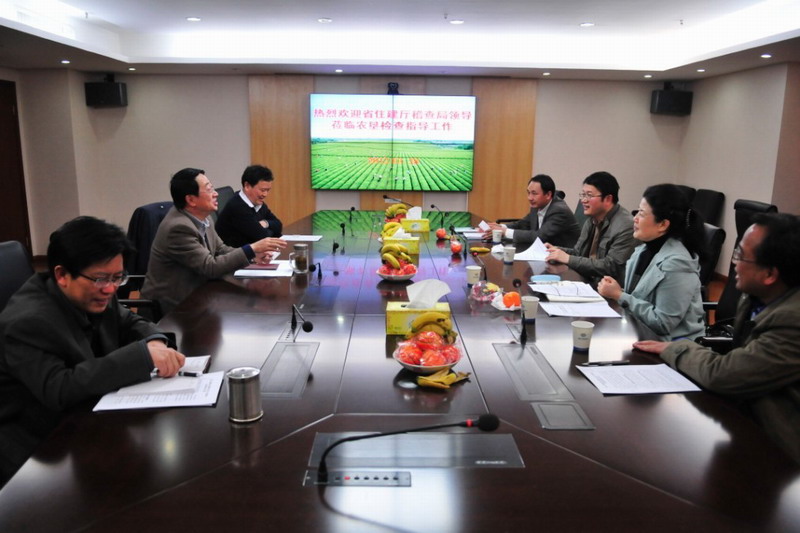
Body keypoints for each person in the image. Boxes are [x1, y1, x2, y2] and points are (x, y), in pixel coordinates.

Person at [0, 216, 186, 485]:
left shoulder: (95, 291)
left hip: (87, 412)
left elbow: (129, 321)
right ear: (62, 275)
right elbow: (59, 388)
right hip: (37, 440)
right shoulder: (27, 321)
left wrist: (154, 342)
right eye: (101, 279)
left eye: (117, 278)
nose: (110, 289)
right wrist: (143, 356)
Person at [634, 213, 800, 463]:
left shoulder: (792, 320)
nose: (733, 263)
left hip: (780, 454)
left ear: (769, 274)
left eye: (740, 255)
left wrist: (675, 348)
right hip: (742, 423)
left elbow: (726, 375)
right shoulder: (755, 296)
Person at [141, 168, 286, 314]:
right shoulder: (178, 228)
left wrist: (253, 256)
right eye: (209, 190)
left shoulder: (203, 217)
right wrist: (251, 249)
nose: (216, 194)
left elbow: (220, 249)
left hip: (201, 295)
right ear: (191, 200)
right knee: (248, 309)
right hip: (173, 307)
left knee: (249, 305)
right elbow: (210, 267)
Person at [597, 184, 705, 340]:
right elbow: (641, 296)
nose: (635, 218)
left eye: (641, 213)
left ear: (662, 224)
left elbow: (663, 323)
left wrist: (619, 295)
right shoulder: (643, 250)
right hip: (639, 332)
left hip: (672, 346)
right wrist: (617, 291)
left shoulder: (677, 263)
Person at [545, 171, 637, 284]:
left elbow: (611, 267)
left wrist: (568, 258)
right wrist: (556, 250)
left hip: (606, 288)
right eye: (583, 195)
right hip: (587, 280)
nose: (583, 200)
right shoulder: (592, 219)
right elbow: (578, 253)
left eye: (589, 195)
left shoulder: (626, 226)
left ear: (608, 199)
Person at [484, 174, 580, 247]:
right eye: (528, 193)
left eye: (534, 193)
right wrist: (500, 227)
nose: (529, 198)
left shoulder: (559, 211)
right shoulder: (537, 204)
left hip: (564, 260)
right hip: (544, 252)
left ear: (548, 195)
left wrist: (505, 232)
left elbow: (539, 237)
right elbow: (523, 224)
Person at [216, 164, 283, 247]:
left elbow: (278, 225)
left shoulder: (258, 203)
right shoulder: (237, 207)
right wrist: (271, 230)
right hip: (233, 253)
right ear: (247, 186)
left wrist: (265, 223)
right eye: (262, 190)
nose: (265, 194)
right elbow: (262, 237)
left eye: (268, 190)